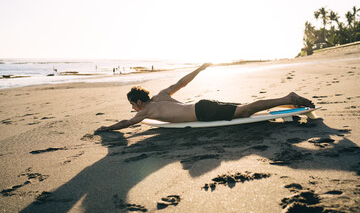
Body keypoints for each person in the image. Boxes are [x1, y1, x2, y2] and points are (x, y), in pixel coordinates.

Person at [95, 63, 315, 132]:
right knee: (247, 107)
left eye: (132, 104)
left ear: (138, 102)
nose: (133, 109)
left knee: (246, 110)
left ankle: (288, 97)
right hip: (202, 105)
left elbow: (127, 123)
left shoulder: (146, 111)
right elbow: (182, 83)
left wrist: (106, 129)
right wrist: (199, 69)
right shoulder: (162, 95)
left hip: (203, 112)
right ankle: (288, 102)